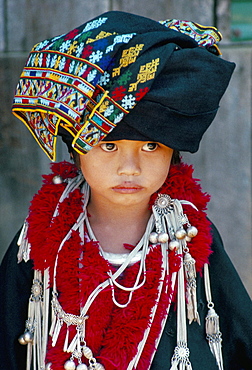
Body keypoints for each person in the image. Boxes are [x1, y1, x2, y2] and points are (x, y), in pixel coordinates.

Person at [0, 10, 251, 370]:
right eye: (108, 146)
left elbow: (241, 340)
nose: (129, 168)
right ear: (76, 149)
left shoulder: (190, 234)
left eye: (151, 147)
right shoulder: (40, 238)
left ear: (173, 151)